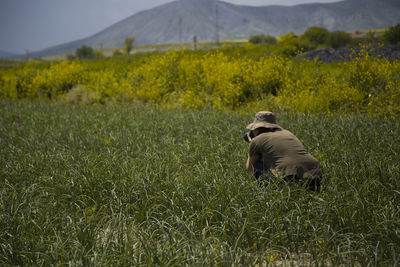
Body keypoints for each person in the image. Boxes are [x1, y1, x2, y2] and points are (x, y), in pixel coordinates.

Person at [245, 111, 322, 191]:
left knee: (256, 165)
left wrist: (253, 144)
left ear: (256, 129)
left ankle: (270, 191)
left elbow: (249, 168)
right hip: (315, 171)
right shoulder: (287, 133)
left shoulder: (257, 140)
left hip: (289, 176)